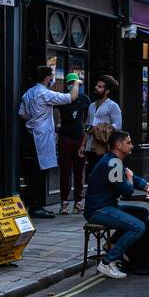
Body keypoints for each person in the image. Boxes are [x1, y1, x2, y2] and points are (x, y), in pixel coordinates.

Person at [84, 130, 149, 278]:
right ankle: (107, 262)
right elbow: (127, 191)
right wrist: (130, 177)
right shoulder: (112, 163)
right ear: (119, 145)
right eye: (129, 142)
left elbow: (133, 179)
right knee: (138, 227)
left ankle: (112, 244)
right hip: (98, 210)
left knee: (142, 213)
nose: (132, 146)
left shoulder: (114, 160)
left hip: (108, 207)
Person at [19, 66, 79, 218]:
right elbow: (71, 97)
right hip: (42, 136)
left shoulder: (29, 93)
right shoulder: (45, 93)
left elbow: (23, 114)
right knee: (39, 171)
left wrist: (34, 120)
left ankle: (33, 204)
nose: (52, 80)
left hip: (31, 134)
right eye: (52, 77)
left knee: (33, 170)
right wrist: (77, 82)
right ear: (47, 79)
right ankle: (36, 206)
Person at [56, 72, 91, 214]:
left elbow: (88, 117)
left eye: (75, 83)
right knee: (64, 171)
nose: (73, 86)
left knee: (79, 171)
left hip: (78, 137)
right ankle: (64, 201)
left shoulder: (84, 99)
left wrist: (84, 130)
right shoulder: (63, 98)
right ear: (67, 85)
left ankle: (78, 201)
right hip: (65, 137)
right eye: (71, 83)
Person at [80, 75, 122, 168]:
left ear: (107, 91)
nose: (96, 87)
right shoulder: (91, 106)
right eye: (96, 85)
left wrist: (100, 128)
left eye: (99, 86)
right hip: (90, 148)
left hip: (104, 148)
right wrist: (82, 145)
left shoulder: (113, 106)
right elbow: (88, 127)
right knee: (91, 176)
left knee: (102, 177)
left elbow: (118, 126)